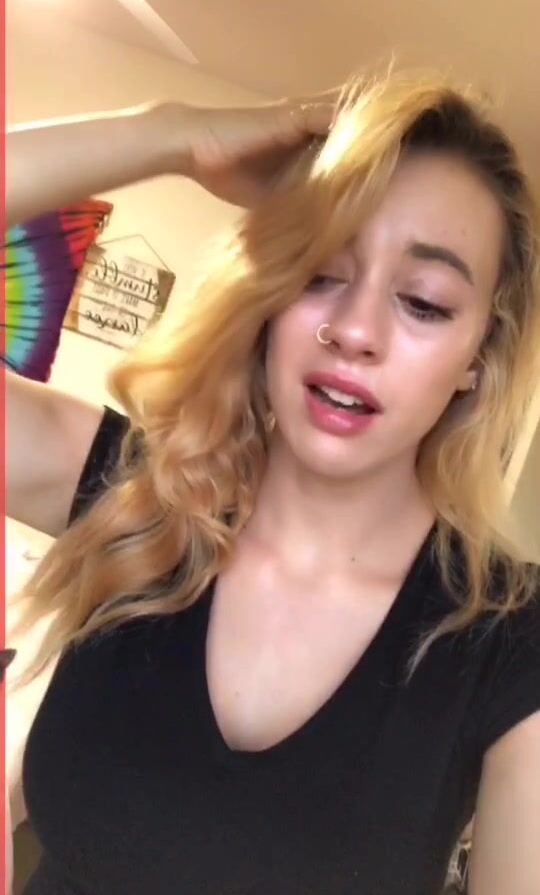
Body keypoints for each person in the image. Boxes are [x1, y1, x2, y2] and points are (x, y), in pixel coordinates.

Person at [5, 70, 540, 895]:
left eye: (424, 302)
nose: (354, 330)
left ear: (480, 355)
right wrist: (171, 133)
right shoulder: (134, 493)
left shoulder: (510, 644)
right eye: (319, 270)